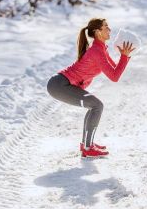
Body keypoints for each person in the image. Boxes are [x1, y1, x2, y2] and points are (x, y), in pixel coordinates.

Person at [47, 18, 135, 158]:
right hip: (59, 85)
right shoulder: (96, 51)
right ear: (98, 32)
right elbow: (114, 76)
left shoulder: (100, 49)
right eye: (106, 27)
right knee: (97, 106)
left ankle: (87, 145)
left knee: (94, 106)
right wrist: (124, 57)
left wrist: (124, 56)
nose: (109, 30)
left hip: (63, 84)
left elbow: (115, 72)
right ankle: (88, 147)